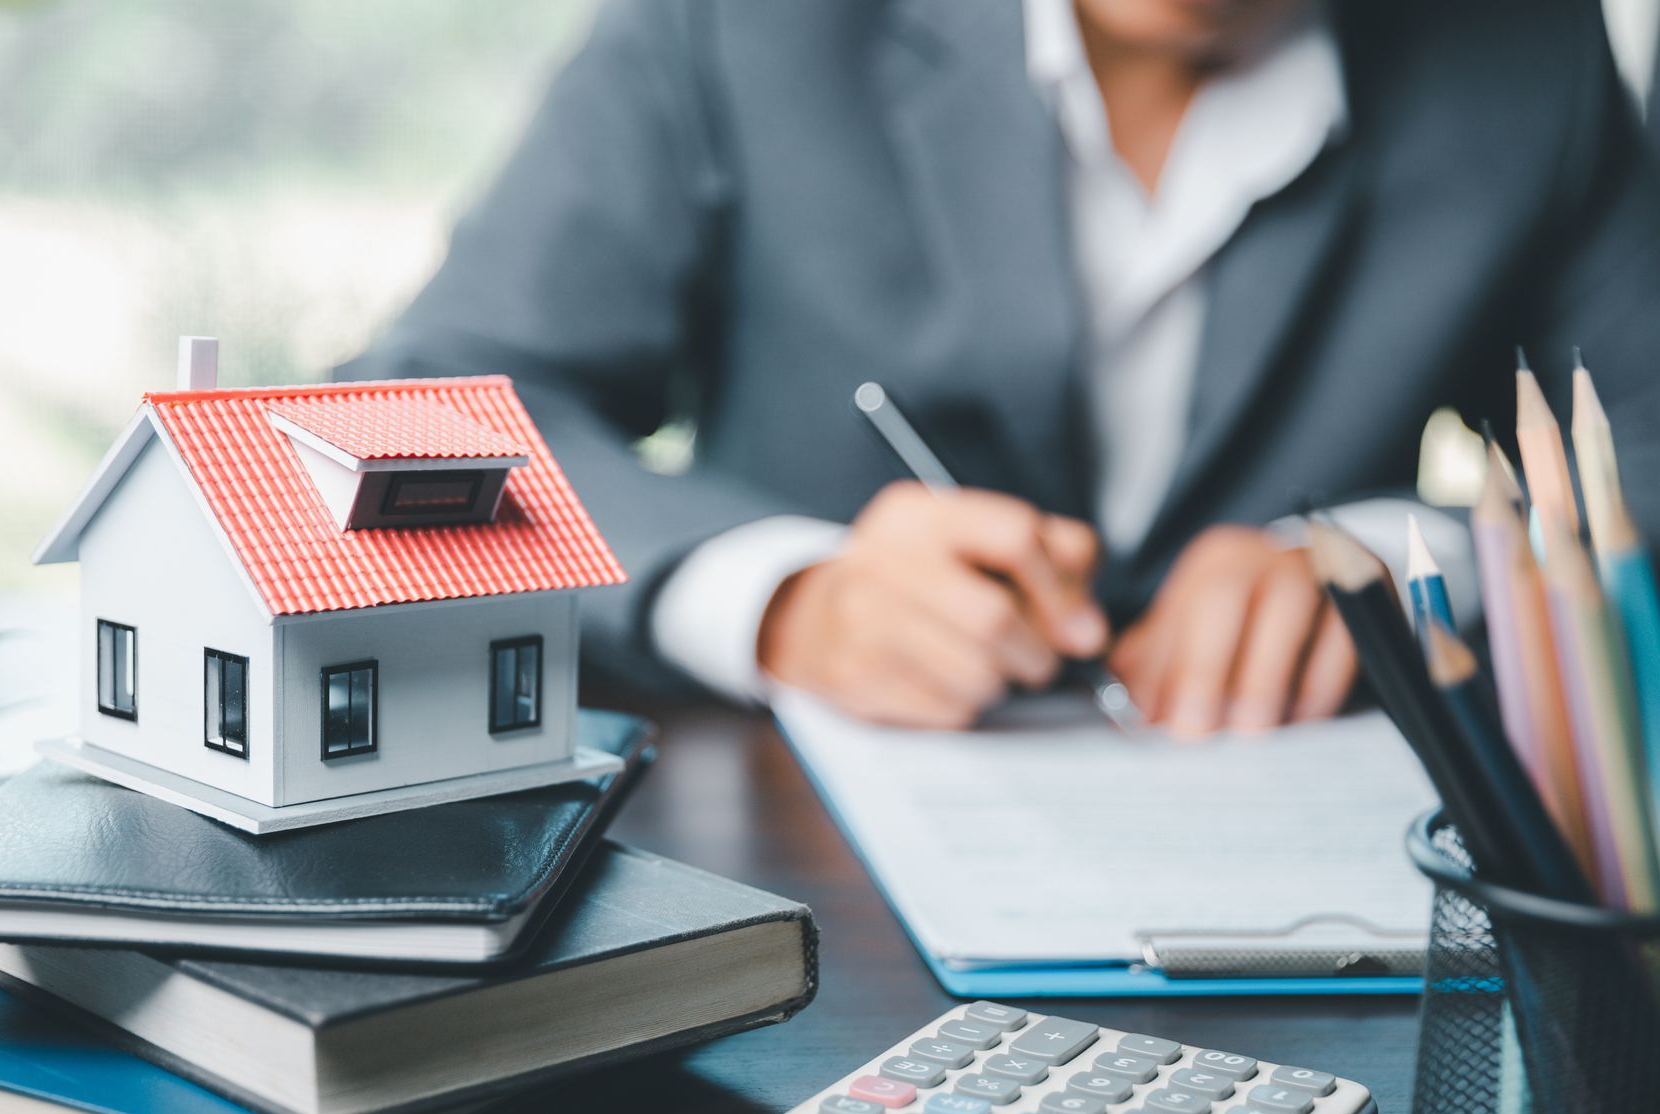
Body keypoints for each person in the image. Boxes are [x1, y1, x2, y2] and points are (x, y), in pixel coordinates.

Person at [348, 0, 1660, 734]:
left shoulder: (1528, 51)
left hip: (1311, 910)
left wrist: (1399, 567)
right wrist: (781, 597)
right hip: (793, 889)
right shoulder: (733, 23)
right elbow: (411, 421)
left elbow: (1646, 454)